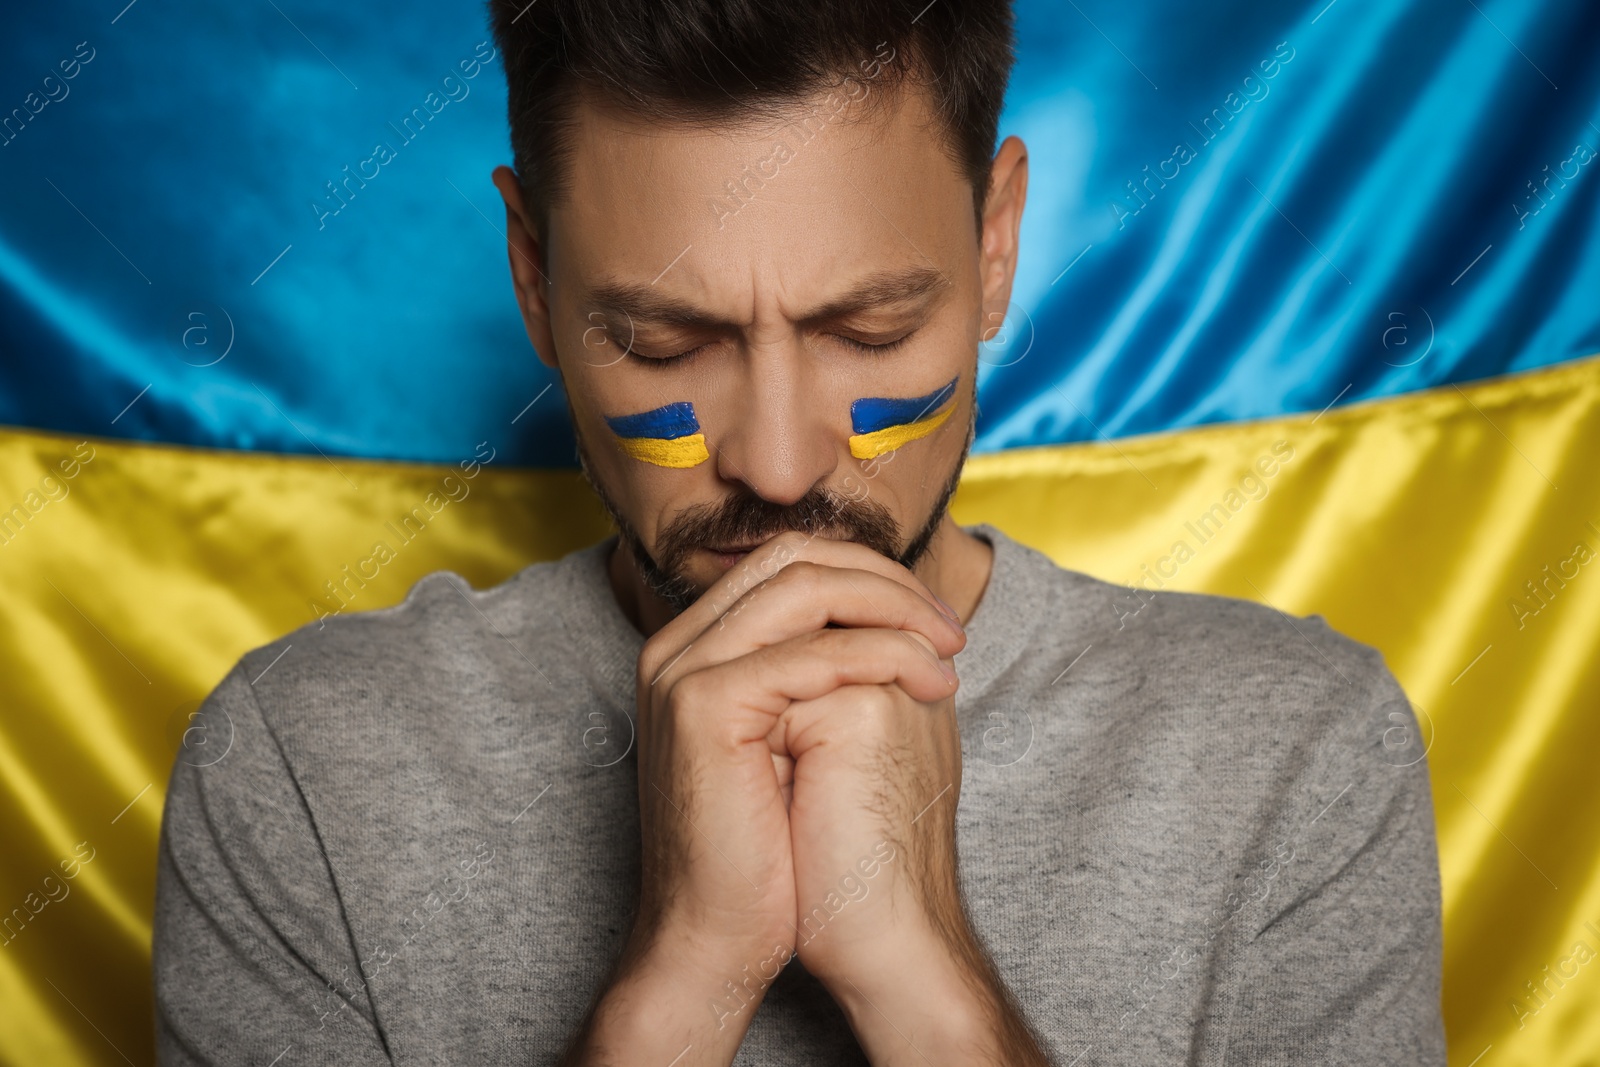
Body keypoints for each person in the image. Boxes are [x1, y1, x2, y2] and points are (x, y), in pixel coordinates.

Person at [152, 0, 1447, 1062]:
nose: (776, 466)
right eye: (665, 344)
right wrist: (682, 984)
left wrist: (926, 982)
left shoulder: (1298, 756)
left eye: (869, 332)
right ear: (534, 279)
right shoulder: (301, 775)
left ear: (996, 245)